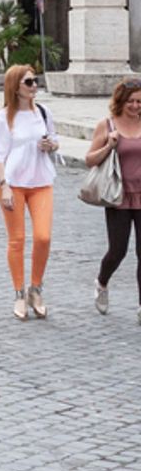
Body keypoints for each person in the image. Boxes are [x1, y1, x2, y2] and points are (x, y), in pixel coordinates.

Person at [0, 64, 61, 320]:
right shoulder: (4, 117)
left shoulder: (43, 112)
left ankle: (36, 288)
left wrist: (50, 145)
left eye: (35, 81)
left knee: (43, 237)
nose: (34, 86)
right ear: (15, 87)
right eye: (29, 82)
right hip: (14, 184)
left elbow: (54, 140)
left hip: (41, 181)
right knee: (17, 240)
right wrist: (4, 185)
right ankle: (19, 294)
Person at [86, 78, 141, 320]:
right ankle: (102, 282)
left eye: (140, 101)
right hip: (118, 195)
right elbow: (90, 159)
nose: (136, 106)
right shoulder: (107, 125)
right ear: (120, 101)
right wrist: (109, 145)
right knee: (117, 250)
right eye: (131, 101)